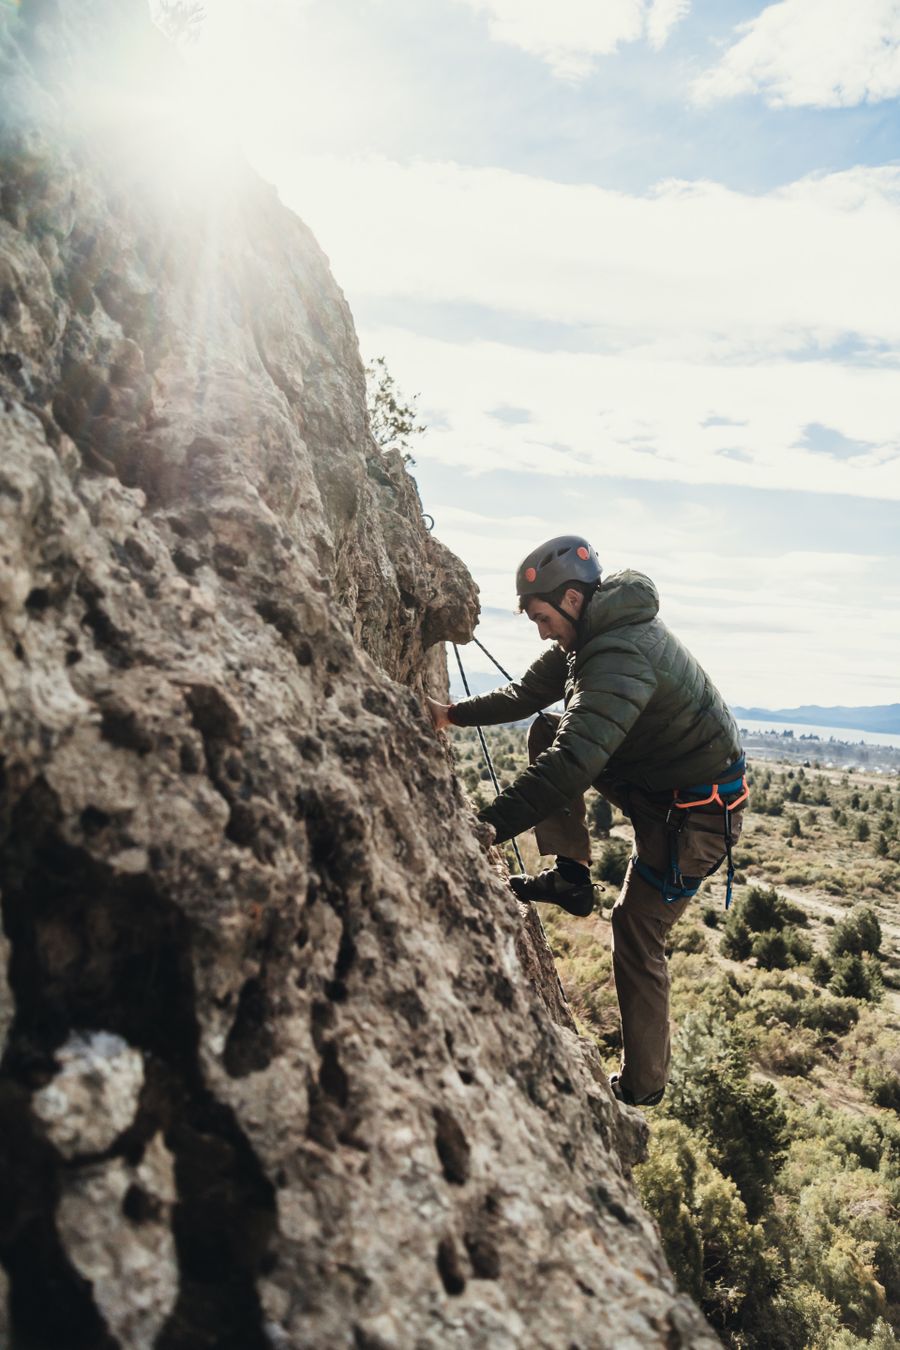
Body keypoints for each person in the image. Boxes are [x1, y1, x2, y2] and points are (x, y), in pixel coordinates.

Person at [428, 535, 747, 1107]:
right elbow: (526, 694)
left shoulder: (618, 653)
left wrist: (479, 831)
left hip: (697, 818)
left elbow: (573, 765)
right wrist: (450, 714)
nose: (542, 632)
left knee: (636, 928)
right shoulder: (589, 637)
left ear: (572, 600)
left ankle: (643, 1088)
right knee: (548, 728)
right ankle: (572, 878)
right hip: (657, 787)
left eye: (543, 618)